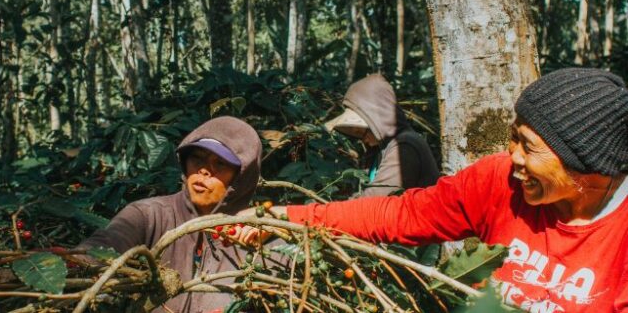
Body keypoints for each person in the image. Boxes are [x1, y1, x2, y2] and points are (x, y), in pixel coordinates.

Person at [236, 68, 628, 313]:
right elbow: (398, 214)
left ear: (588, 168)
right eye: (514, 138)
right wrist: (286, 217)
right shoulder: (498, 181)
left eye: (529, 147)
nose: (514, 156)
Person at [79, 116, 262, 313]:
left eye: (220, 164)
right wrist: (74, 261)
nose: (204, 170)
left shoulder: (256, 233)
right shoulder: (149, 215)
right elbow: (100, 247)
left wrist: (279, 212)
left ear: (242, 177)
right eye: (197, 158)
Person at [325, 73, 439, 196]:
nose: (363, 140)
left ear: (377, 121)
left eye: (363, 131)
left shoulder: (405, 145)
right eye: (358, 134)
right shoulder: (380, 149)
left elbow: (376, 199)